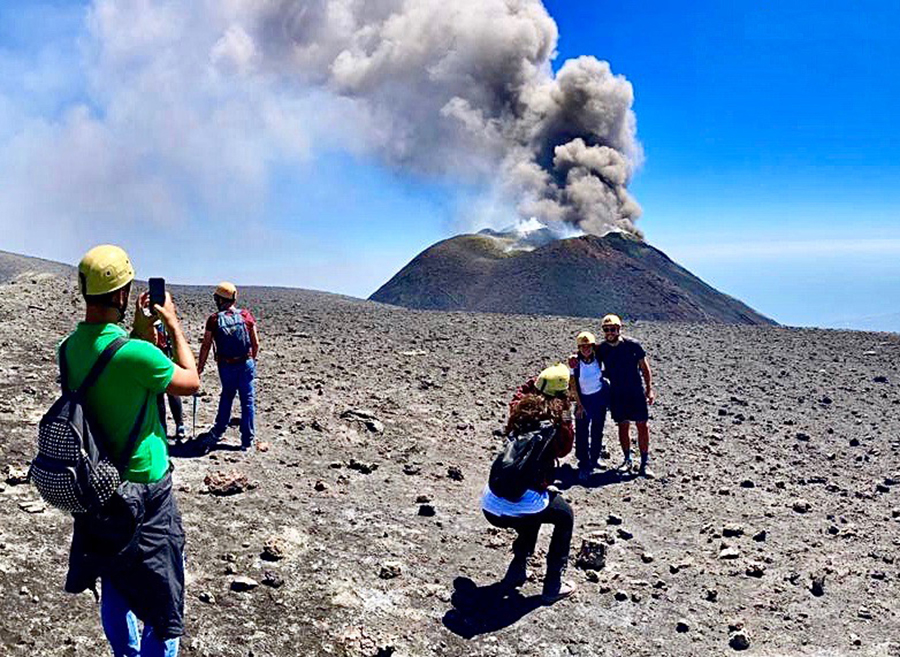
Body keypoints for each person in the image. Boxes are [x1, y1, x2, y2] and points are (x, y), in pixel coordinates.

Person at [63, 244, 199, 656]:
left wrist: (137, 329)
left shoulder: (68, 349)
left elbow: (115, 367)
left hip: (100, 485)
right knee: (162, 600)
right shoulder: (138, 354)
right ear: (122, 294)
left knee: (115, 578)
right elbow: (190, 381)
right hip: (147, 489)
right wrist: (172, 324)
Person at [482, 372, 576, 604]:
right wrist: (567, 410)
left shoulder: (520, 412)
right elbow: (565, 448)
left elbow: (518, 396)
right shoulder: (557, 424)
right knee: (564, 516)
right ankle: (553, 584)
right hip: (520, 500)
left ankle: (517, 569)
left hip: (491, 500)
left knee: (534, 510)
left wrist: (536, 382)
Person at [197, 281, 259, 451]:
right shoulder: (246, 315)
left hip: (226, 365)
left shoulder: (214, 319)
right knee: (247, 401)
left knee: (227, 396)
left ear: (219, 299)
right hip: (245, 363)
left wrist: (200, 367)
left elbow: (206, 345)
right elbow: (256, 344)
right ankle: (247, 440)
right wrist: (250, 361)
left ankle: (218, 431)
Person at [596, 314, 655, 478]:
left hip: (635, 391)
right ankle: (627, 460)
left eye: (613, 329)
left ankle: (644, 463)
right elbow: (591, 362)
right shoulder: (602, 349)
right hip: (617, 393)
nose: (610, 333)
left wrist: (649, 389)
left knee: (642, 425)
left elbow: (644, 368)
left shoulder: (633, 345)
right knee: (623, 425)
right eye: (606, 329)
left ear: (619, 329)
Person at [567, 331, 609, 482]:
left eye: (588, 346)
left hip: (598, 399)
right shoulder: (575, 363)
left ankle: (595, 458)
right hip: (583, 400)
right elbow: (573, 385)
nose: (586, 349)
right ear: (578, 347)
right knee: (582, 433)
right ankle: (584, 463)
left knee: (598, 430)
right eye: (582, 346)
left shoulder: (598, 358)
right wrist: (579, 405)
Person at [154, 321, 186, 441]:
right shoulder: (169, 324)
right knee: (172, 394)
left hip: (157, 363)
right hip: (170, 362)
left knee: (159, 398)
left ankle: (163, 429)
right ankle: (180, 425)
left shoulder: (152, 325)